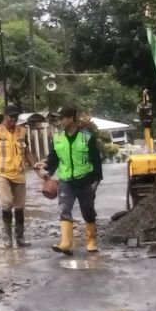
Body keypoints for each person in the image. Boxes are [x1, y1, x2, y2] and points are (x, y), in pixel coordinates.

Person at [35, 106, 103, 256]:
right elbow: (54, 158)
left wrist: (96, 182)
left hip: (85, 179)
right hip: (65, 181)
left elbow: (96, 162)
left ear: (71, 118)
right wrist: (45, 165)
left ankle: (91, 241)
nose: (59, 122)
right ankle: (66, 243)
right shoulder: (57, 138)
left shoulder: (87, 137)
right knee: (64, 209)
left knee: (88, 211)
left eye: (62, 118)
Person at [0, 106, 30, 248]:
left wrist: (39, 169)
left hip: (19, 173)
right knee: (7, 203)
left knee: (20, 207)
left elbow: (27, 152)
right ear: (4, 116)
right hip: (1, 173)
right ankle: (7, 237)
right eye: (10, 118)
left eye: (15, 118)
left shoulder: (22, 131)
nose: (13, 121)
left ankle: (20, 238)